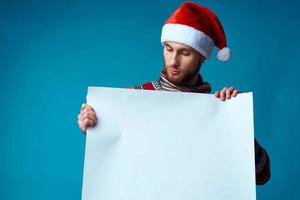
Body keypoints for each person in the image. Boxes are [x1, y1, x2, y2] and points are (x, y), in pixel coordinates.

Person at [77, 1, 270, 185]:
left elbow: (262, 175)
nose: (173, 61)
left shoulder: (218, 109)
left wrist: (237, 122)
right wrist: (94, 129)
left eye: (185, 53)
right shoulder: (132, 99)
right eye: (169, 49)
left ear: (202, 56)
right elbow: (110, 163)